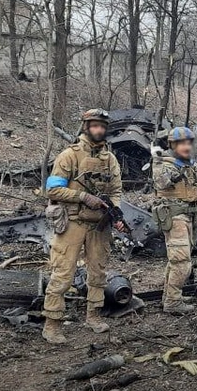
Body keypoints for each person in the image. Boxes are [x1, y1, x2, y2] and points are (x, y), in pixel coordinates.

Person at [41, 109, 125, 343]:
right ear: (86, 127)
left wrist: (115, 212)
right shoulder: (69, 155)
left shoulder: (110, 159)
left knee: (98, 272)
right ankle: (52, 324)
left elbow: (116, 190)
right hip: (73, 223)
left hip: (99, 224)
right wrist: (83, 197)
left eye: (102, 126)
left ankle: (94, 315)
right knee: (63, 273)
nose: (99, 130)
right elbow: (53, 190)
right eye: (95, 125)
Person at [152, 127, 197, 315]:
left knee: (177, 260)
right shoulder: (163, 163)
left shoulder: (191, 165)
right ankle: (172, 303)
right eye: (181, 143)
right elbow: (162, 183)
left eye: (189, 143)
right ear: (172, 145)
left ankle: (171, 296)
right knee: (181, 261)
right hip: (174, 216)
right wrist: (161, 161)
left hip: (190, 216)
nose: (186, 146)